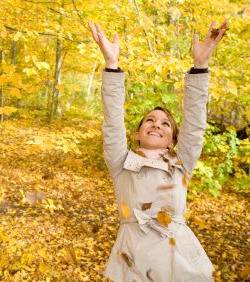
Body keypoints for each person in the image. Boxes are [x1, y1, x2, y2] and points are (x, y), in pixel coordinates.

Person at [88, 20, 228, 282]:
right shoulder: (121, 162)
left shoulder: (181, 162)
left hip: (179, 257)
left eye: (165, 123)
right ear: (138, 133)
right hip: (133, 259)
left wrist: (200, 68)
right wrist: (111, 64)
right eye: (150, 120)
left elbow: (195, 123)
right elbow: (112, 120)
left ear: (173, 140)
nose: (156, 124)